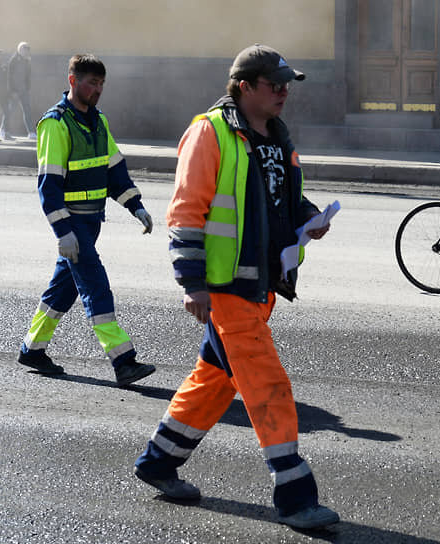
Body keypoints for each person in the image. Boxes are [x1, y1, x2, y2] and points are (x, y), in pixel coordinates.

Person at [132, 44, 339, 530]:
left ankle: (158, 461)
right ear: (244, 87)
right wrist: (192, 283)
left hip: (262, 283)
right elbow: (186, 211)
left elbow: (281, 198)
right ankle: (295, 496)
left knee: (214, 381)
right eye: (275, 85)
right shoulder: (210, 132)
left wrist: (310, 216)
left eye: (288, 85)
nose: (284, 92)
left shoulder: (276, 135)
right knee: (268, 385)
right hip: (227, 287)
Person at [17, 54, 157, 387]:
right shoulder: (56, 123)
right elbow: (49, 185)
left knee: (61, 292)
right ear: (73, 81)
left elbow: (114, 170)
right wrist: (63, 231)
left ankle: (32, 349)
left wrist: (135, 205)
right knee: (96, 288)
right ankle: (123, 361)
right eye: (92, 83)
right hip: (74, 226)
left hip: (91, 224)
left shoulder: (98, 121)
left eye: (101, 83)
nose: (98, 89)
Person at [0, 41, 36, 140]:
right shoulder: (14, 60)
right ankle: (2, 129)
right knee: (9, 111)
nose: (26, 51)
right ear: (20, 50)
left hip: (24, 91)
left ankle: (31, 132)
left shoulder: (27, 61)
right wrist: (12, 91)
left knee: (27, 111)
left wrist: (27, 88)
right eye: (25, 49)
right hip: (15, 91)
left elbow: (27, 76)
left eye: (27, 49)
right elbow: (9, 77)